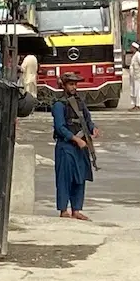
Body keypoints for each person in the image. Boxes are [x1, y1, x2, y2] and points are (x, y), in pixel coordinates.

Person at [51, 72, 100, 221]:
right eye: (71, 84)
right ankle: (63, 210)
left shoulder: (80, 102)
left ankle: (76, 210)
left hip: (81, 147)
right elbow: (60, 127)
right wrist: (75, 139)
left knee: (80, 177)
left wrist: (93, 129)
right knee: (65, 178)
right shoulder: (59, 104)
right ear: (64, 86)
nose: (74, 87)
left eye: (75, 84)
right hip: (66, 146)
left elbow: (87, 119)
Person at [129, 42, 140, 111]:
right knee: (134, 91)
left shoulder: (138, 55)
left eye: (132, 47)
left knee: (138, 91)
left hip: (138, 76)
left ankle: (138, 105)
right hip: (134, 76)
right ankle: (135, 105)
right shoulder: (134, 55)